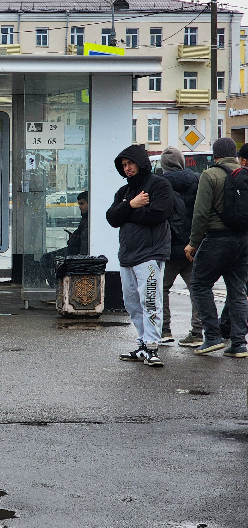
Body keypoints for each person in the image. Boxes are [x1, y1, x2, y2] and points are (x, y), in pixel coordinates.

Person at [106, 144, 173, 367]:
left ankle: (153, 346)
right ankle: (143, 342)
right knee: (132, 303)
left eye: (130, 163)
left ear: (140, 161)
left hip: (151, 253)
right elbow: (112, 218)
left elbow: (159, 213)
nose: (127, 168)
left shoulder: (160, 185)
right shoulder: (124, 192)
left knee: (151, 300)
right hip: (127, 254)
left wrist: (127, 212)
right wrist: (132, 205)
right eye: (124, 165)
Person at [185, 137, 248, 358]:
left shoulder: (210, 174)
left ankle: (212, 337)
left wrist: (193, 243)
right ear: (235, 154)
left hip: (217, 239)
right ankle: (239, 343)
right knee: (237, 289)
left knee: (200, 284)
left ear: (215, 155)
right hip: (242, 240)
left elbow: (200, 213)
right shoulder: (244, 174)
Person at [157, 147, 202, 346]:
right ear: (182, 162)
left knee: (162, 288)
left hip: (169, 246)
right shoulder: (198, 180)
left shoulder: (160, 184)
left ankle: (164, 329)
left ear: (163, 165)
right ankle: (197, 332)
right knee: (197, 289)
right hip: (193, 246)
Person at [40, 191, 89, 286]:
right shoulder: (85, 218)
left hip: (78, 253)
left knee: (47, 259)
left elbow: (83, 242)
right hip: (75, 250)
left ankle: (56, 287)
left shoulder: (89, 220)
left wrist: (74, 240)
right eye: (79, 204)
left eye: (82, 204)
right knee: (47, 259)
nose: (80, 207)